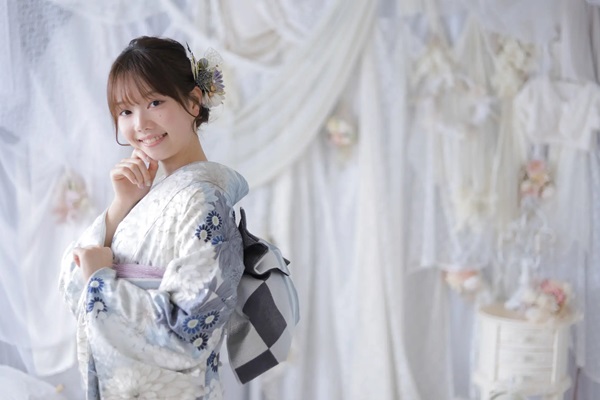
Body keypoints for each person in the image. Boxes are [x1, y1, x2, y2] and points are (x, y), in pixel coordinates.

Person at [59, 36, 247, 400]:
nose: (141, 123)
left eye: (155, 102)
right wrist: (121, 206)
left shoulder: (204, 200)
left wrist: (101, 283)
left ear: (193, 101)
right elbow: (71, 279)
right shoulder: (146, 196)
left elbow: (192, 328)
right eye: (126, 111)